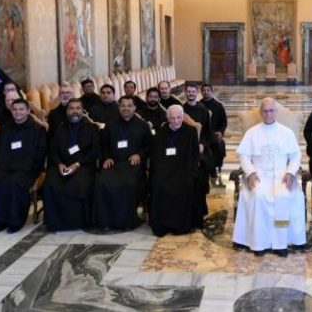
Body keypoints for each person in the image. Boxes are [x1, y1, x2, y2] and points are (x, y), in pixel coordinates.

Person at [233, 98, 306, 256]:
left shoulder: (287, 132)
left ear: (276, 112)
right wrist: (250, 172)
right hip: (259, 175)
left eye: (271, 110)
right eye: (265, 111)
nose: (268, 114)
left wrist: (290, 172)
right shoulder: (252, 133)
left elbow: (295, 156)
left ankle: (281, 243)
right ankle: (260, 242)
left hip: (282, 175)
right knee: (258, 196)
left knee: (284, 196)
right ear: (261, 112)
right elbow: (244, 156)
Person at [0, 98, 47, 232]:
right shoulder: (5, 128)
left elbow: (40, 153)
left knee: (15, 183)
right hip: (5, 166)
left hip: (27, 168)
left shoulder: (38, 129)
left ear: (28, 111)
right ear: (11, 111)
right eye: (15, 109)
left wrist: (24, 167)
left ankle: (15, 221)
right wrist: (4, 165)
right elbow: (0, 150)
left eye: (21, 109)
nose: (18, 112)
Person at [93, 96, 152, 230]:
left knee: (128, 184)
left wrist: (139, 154)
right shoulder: (110, 124)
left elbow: (149, 146)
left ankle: (126, 221)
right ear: (119, 107)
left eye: (129, 106)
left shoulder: (142, 125)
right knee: (101, 182)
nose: (126, 108)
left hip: (133, 165)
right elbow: (104, 144)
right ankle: (105, 220)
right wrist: (107, 157)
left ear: (134, 108)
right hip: (113, 163)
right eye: (123, 105)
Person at [42, 98, 101, 231]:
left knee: (77, 184)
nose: (74, 111)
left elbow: (95, 151)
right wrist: (59, 163)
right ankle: (56, 222)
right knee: (51, 183)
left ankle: (76, 222)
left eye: (77, 108)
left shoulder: (91, 128)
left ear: (82, 111)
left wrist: (77, 164)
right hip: (62, 165)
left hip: (83, 165)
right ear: (67, 111)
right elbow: (52, 149)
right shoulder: (60, 128)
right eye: (71, 108)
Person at [149, 105, 201, 236]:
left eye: (178, 117)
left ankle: (181, 225)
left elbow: (195, 155)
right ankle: (164, 224)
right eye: (172, 118)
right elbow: (156, 156)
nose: (176, 121)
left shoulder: (191, 132)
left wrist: (192, 172)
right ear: (168, 118)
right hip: (165, 170)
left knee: (186, 185)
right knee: (159, 185)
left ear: (183, 117)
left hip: (184, 169)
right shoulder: (161, 132)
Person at [182, 82, 214, 223]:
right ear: (185, 92)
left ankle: (200, 208)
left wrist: (203, 144)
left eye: (193, 91)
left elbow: (208, 132)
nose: (191, 94)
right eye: (188, 91)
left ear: (197, 93)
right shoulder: (181, 110)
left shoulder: (203, 110)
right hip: (185, 149)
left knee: (201, 175)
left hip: (201, 147)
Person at [200, 83, 228, 181]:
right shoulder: (199, 105)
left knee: (219, 145)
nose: (206, 92)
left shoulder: (218, 106)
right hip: (202, 134)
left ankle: (214, 167)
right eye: (204, 90)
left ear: (212, 92)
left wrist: (221, 132)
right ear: (201, 92)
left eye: (208, 90)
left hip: (215, 133)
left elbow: (224, 121)